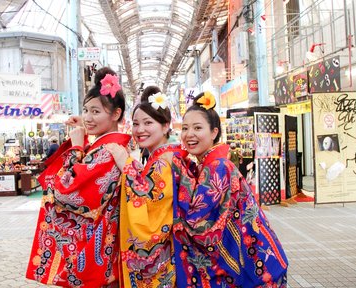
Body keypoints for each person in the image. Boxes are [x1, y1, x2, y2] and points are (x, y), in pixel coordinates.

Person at [26, 67, 131, 287]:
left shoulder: (109, 151)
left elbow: (67, 191)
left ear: (116, 114)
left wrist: (76, 147)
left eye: (95, 111)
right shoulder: (108, 146)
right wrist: (83, 137)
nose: (88, 117)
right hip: (101, 245)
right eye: (86, 110)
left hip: (95, 248)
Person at [173, 92, 288, 287]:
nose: (189, 134)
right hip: (257, 260)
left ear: (214, 132)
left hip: (253, 268)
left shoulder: (217, 167)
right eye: (185, 128)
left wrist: (175, 167)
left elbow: (196, 220)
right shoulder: (211, 163)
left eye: (197, 128)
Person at [106, 85, 189, 287]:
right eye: (136, 124)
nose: (140, 130)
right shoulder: (166, 155)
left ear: (165, 125)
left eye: (148, 123)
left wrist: (126, 163)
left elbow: (149, 200)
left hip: (165, 255)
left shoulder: (164, 160)